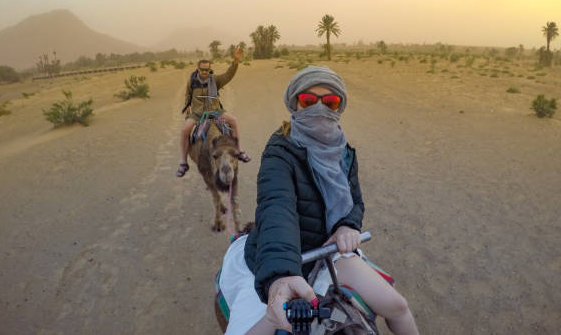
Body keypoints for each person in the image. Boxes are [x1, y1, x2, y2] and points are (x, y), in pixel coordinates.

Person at [218, 65, 419, 334]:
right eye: (309, 100)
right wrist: (280, 277)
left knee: (398, 307)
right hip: (280, 258)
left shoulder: (343, 151)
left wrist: (348, 225)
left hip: (328, 254)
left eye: (330, 101)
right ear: (295, 105)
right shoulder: (280, 150)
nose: (320, 108)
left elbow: (354, 200)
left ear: (339, 108)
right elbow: (277, 208)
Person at [176, 48, 250, 177]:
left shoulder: (215, 80)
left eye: (207, 69)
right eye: (202, 69)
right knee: (185, 130)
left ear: (210, 70)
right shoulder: (192, 81)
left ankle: (239, 150)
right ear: (198, 69)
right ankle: (183, 162)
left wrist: (236, 61)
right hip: (198, 113)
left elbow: (228, 75)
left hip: (215, 111)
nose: (204, 72)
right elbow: (188, 94)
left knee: (233, 121)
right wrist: (187, 106)